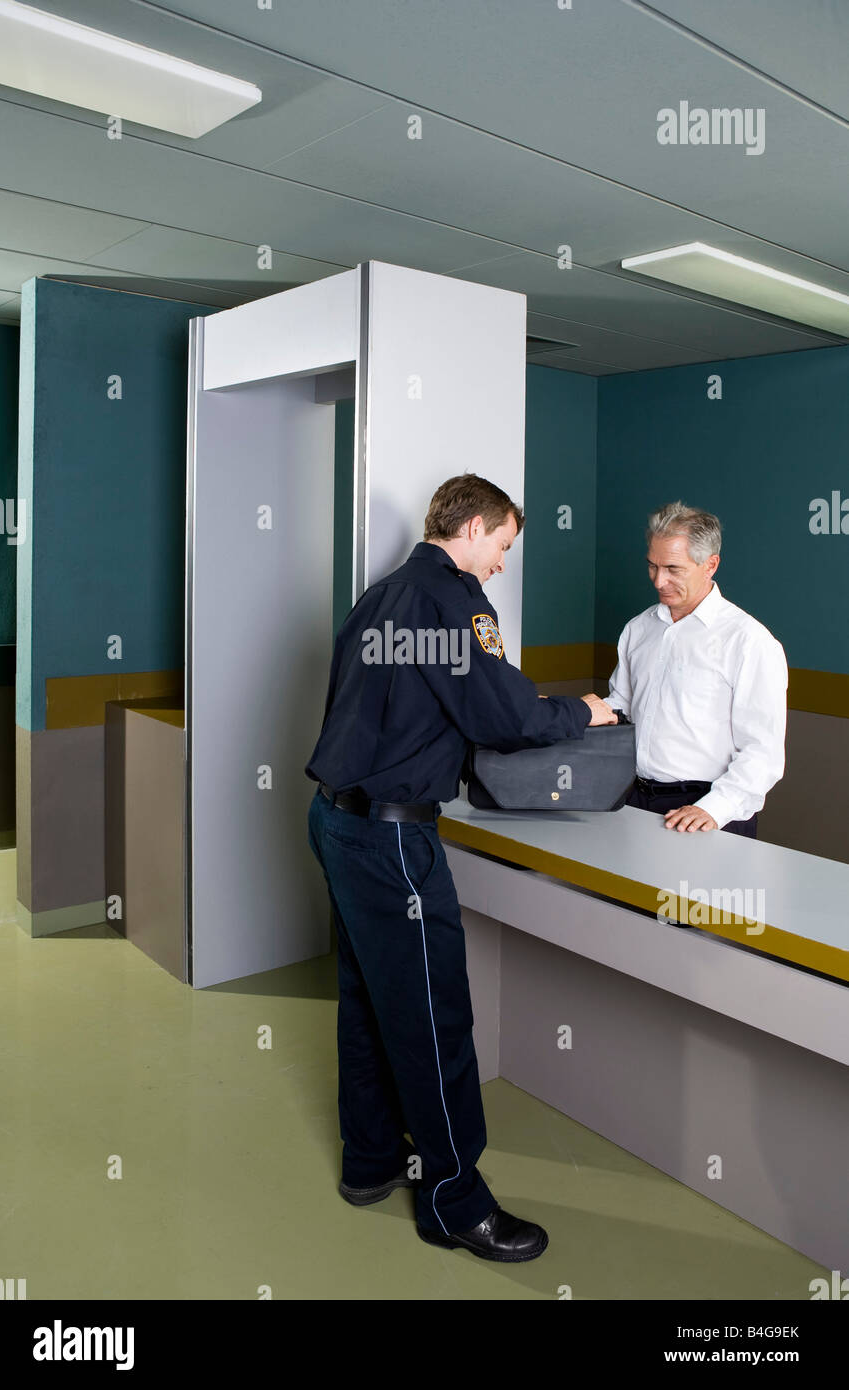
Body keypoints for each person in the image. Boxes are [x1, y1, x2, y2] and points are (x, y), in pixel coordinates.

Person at [305, 473, 616, 1262]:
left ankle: (371, 1162)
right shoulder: (454, 601)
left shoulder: (377, 598)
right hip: (395, 843)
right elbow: (502, 717)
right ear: (474, 528)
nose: (502, 565)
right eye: (504, 547)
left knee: (367, 1000)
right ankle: (454, 1204)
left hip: (334, 822)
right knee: (433, 1018)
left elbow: (379, 705)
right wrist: (583, 712)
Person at [608, 501, 787, 837]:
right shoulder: (638, 629)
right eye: (652, 567)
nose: (659, 581)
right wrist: (563, 713)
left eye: (673, 569)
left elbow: (763, 750)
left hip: (708, 812)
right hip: (633, 800)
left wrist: (713, 808)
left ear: (711, 565)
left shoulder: (748, 641)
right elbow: (623, 707)